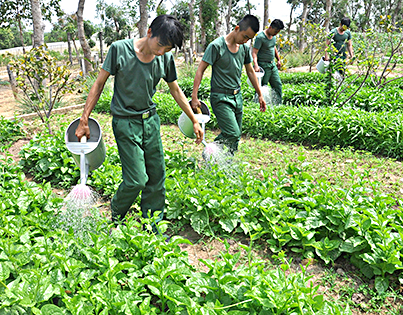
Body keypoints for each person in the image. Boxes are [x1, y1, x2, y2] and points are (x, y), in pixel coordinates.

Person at [75, 15, 203, 227]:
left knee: (156, 177)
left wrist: (194, 119)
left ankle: (152, 226)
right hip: (125, 122)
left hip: (150, 121)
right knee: (136, 179)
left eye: (168, 49)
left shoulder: (165, 59)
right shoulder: (119, 50)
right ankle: (116, 214)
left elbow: (175, 90)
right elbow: (98, 85)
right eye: (160, 45)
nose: (161, 52)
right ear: (150, 32)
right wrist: (84, 118)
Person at [191, 14, 266, 155]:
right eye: (245, 37)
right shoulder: (216, 46)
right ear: (237, 28)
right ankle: (210, 149)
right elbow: (200, 70)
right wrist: (194, 96)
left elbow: (250, 71)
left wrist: (260, 94)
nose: (245, 41)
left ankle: (229, 162)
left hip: (237, 96)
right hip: (220, 97)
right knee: (233, 133)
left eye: (249, 39)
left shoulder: (243, 49)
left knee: (235, 139)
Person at [252, 19, 285, 105]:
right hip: (263, 65)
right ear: (270, 27)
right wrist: (256, 65)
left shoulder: (273, 36)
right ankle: (258, 105)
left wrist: (278, 59)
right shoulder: (260, 37)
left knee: (278, 85)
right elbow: (254, 52)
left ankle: (278, 105)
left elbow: (273, 47)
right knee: (262, 87)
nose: (276, 33)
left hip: (272, 65)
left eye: (278, 31)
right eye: (275, 31)